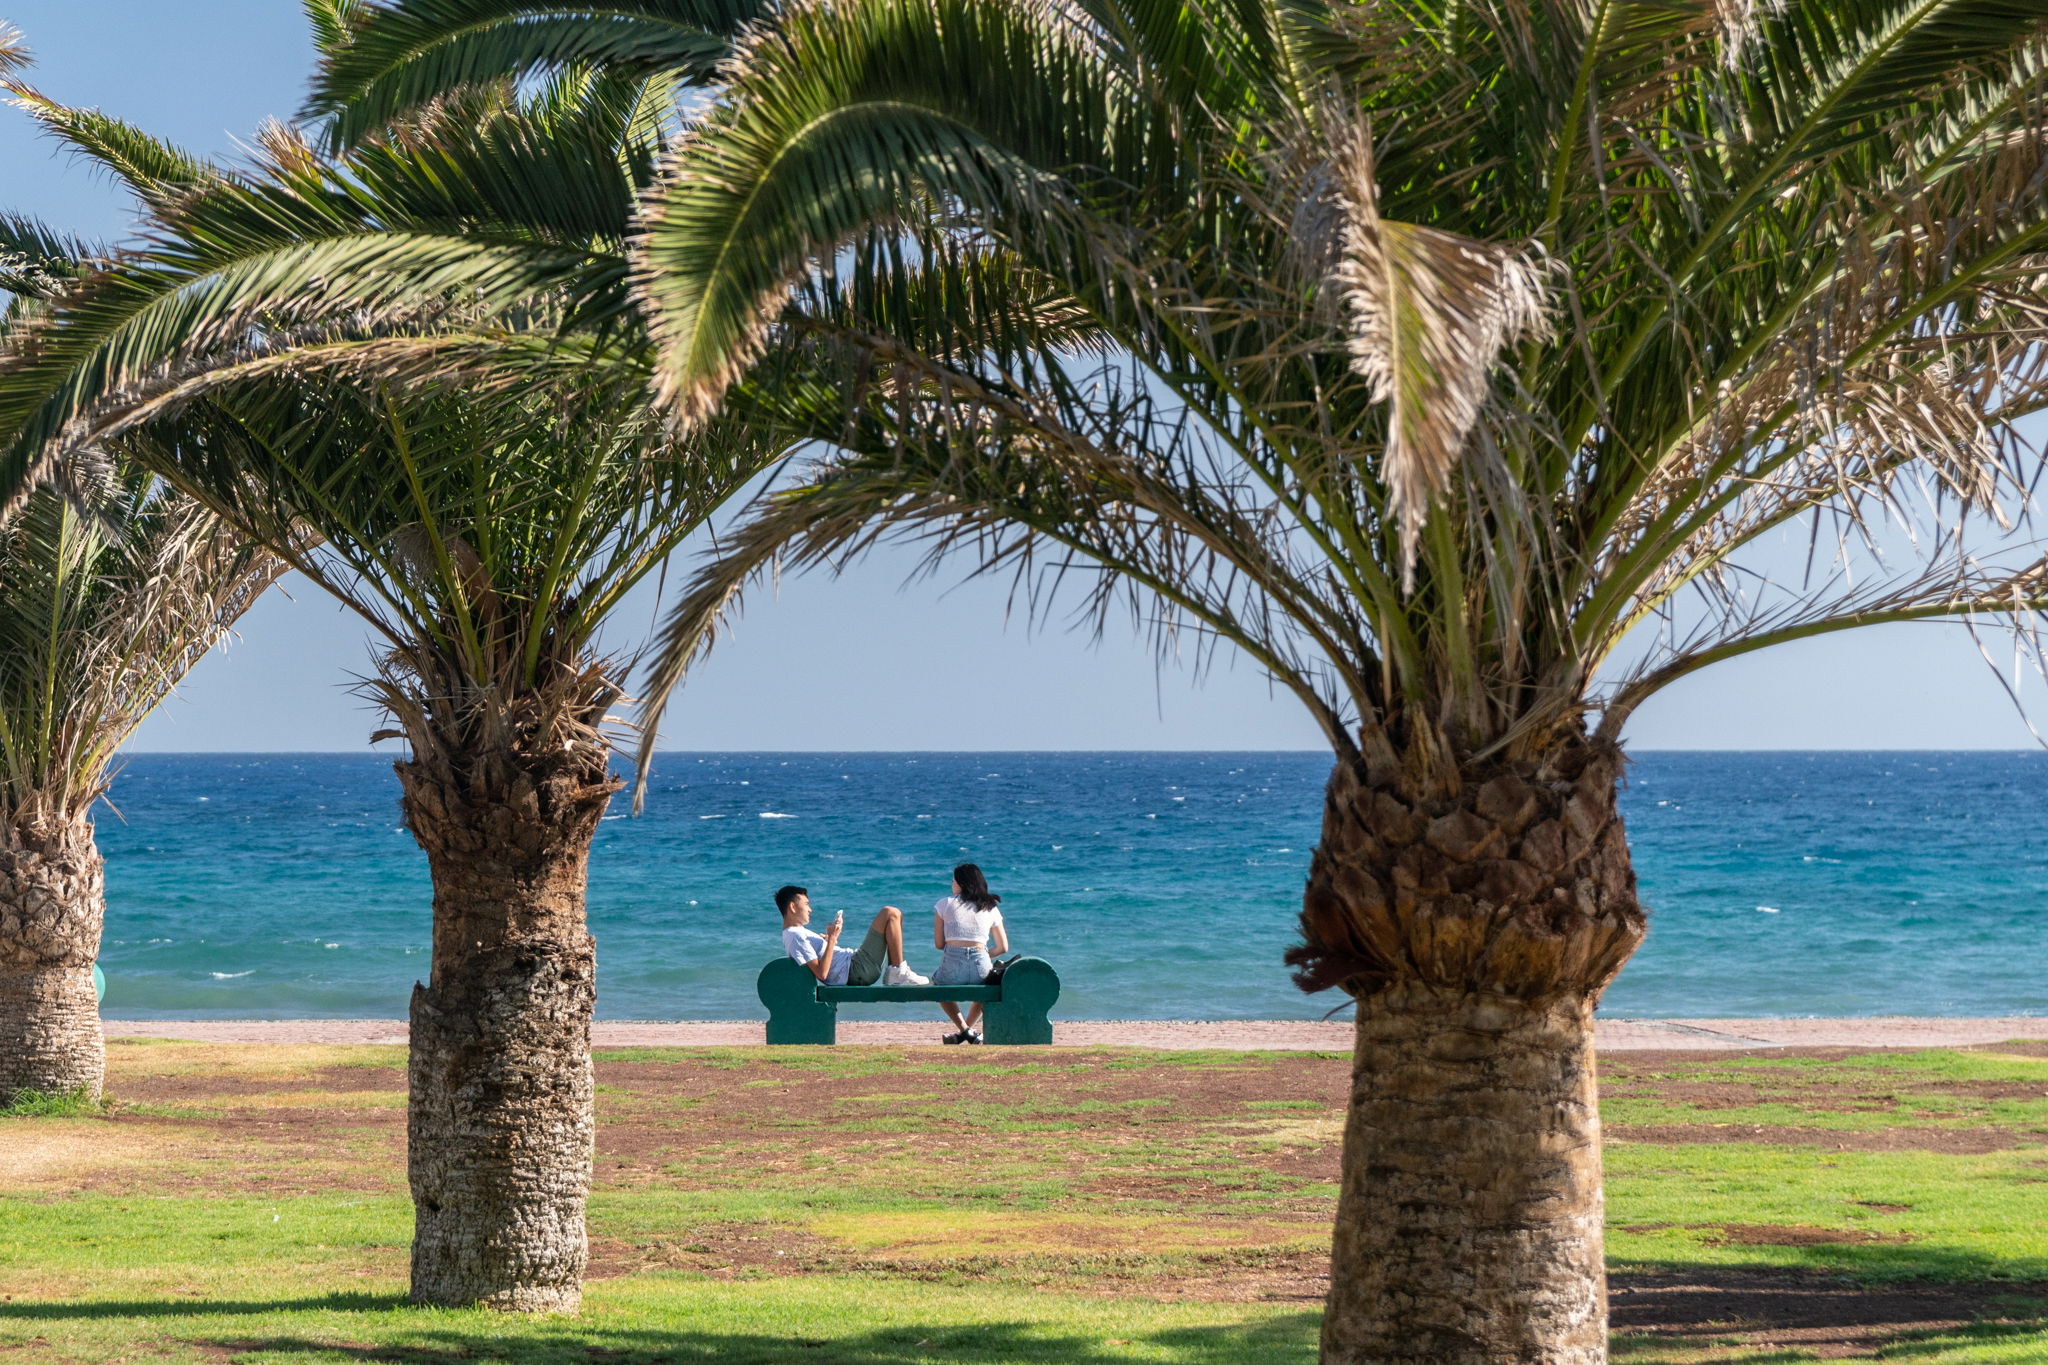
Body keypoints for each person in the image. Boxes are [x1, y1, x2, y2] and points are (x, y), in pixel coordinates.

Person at [776, 885, 929, 987]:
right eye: (806, 904)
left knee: (895, 915)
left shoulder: (795, 933)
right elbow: (822, 974)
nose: (810, 909)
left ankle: (896, 970)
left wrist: (828, 940)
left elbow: (822, 964)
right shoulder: (795, 935)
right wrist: (832, 939)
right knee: (890, 913)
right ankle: (897, 971)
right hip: (856, 969)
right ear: (793, 907)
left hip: (855, 966)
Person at [931, 863, 1008, 1044]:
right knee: (985, 989)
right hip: (980, 961)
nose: (951, 883)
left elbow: (939, 944)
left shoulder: (944, 904)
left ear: (962, 884)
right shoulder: (991, 907)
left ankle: (964, 1030)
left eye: (954, 880)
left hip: (952, 964)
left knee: (938, 986)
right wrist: (982, 954)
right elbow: (1003, 947)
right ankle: (966, 1033)